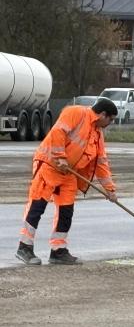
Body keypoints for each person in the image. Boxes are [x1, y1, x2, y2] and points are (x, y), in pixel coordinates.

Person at [15, 97, 119, 265]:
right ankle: (24, 247)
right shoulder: (76, 112)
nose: (111, 123)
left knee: (66, 211)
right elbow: (58, 132)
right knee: (37, 206)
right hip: (49, 164)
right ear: (102, 114)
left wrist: (110, 190)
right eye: (111, 119)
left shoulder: (98, 133)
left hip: (70, 173)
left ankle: (58, 251)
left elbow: (101, 163)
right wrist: (59, 157)